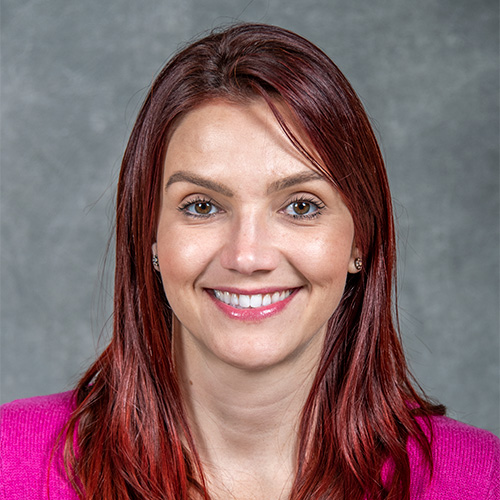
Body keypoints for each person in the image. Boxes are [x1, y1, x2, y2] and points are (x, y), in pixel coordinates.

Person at [0, 23, 498, 500]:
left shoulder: (483, 481)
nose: (248, 256)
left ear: (358, 241)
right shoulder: (11, 463)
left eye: (301, 206)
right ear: (150, 237)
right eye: (202, 206)